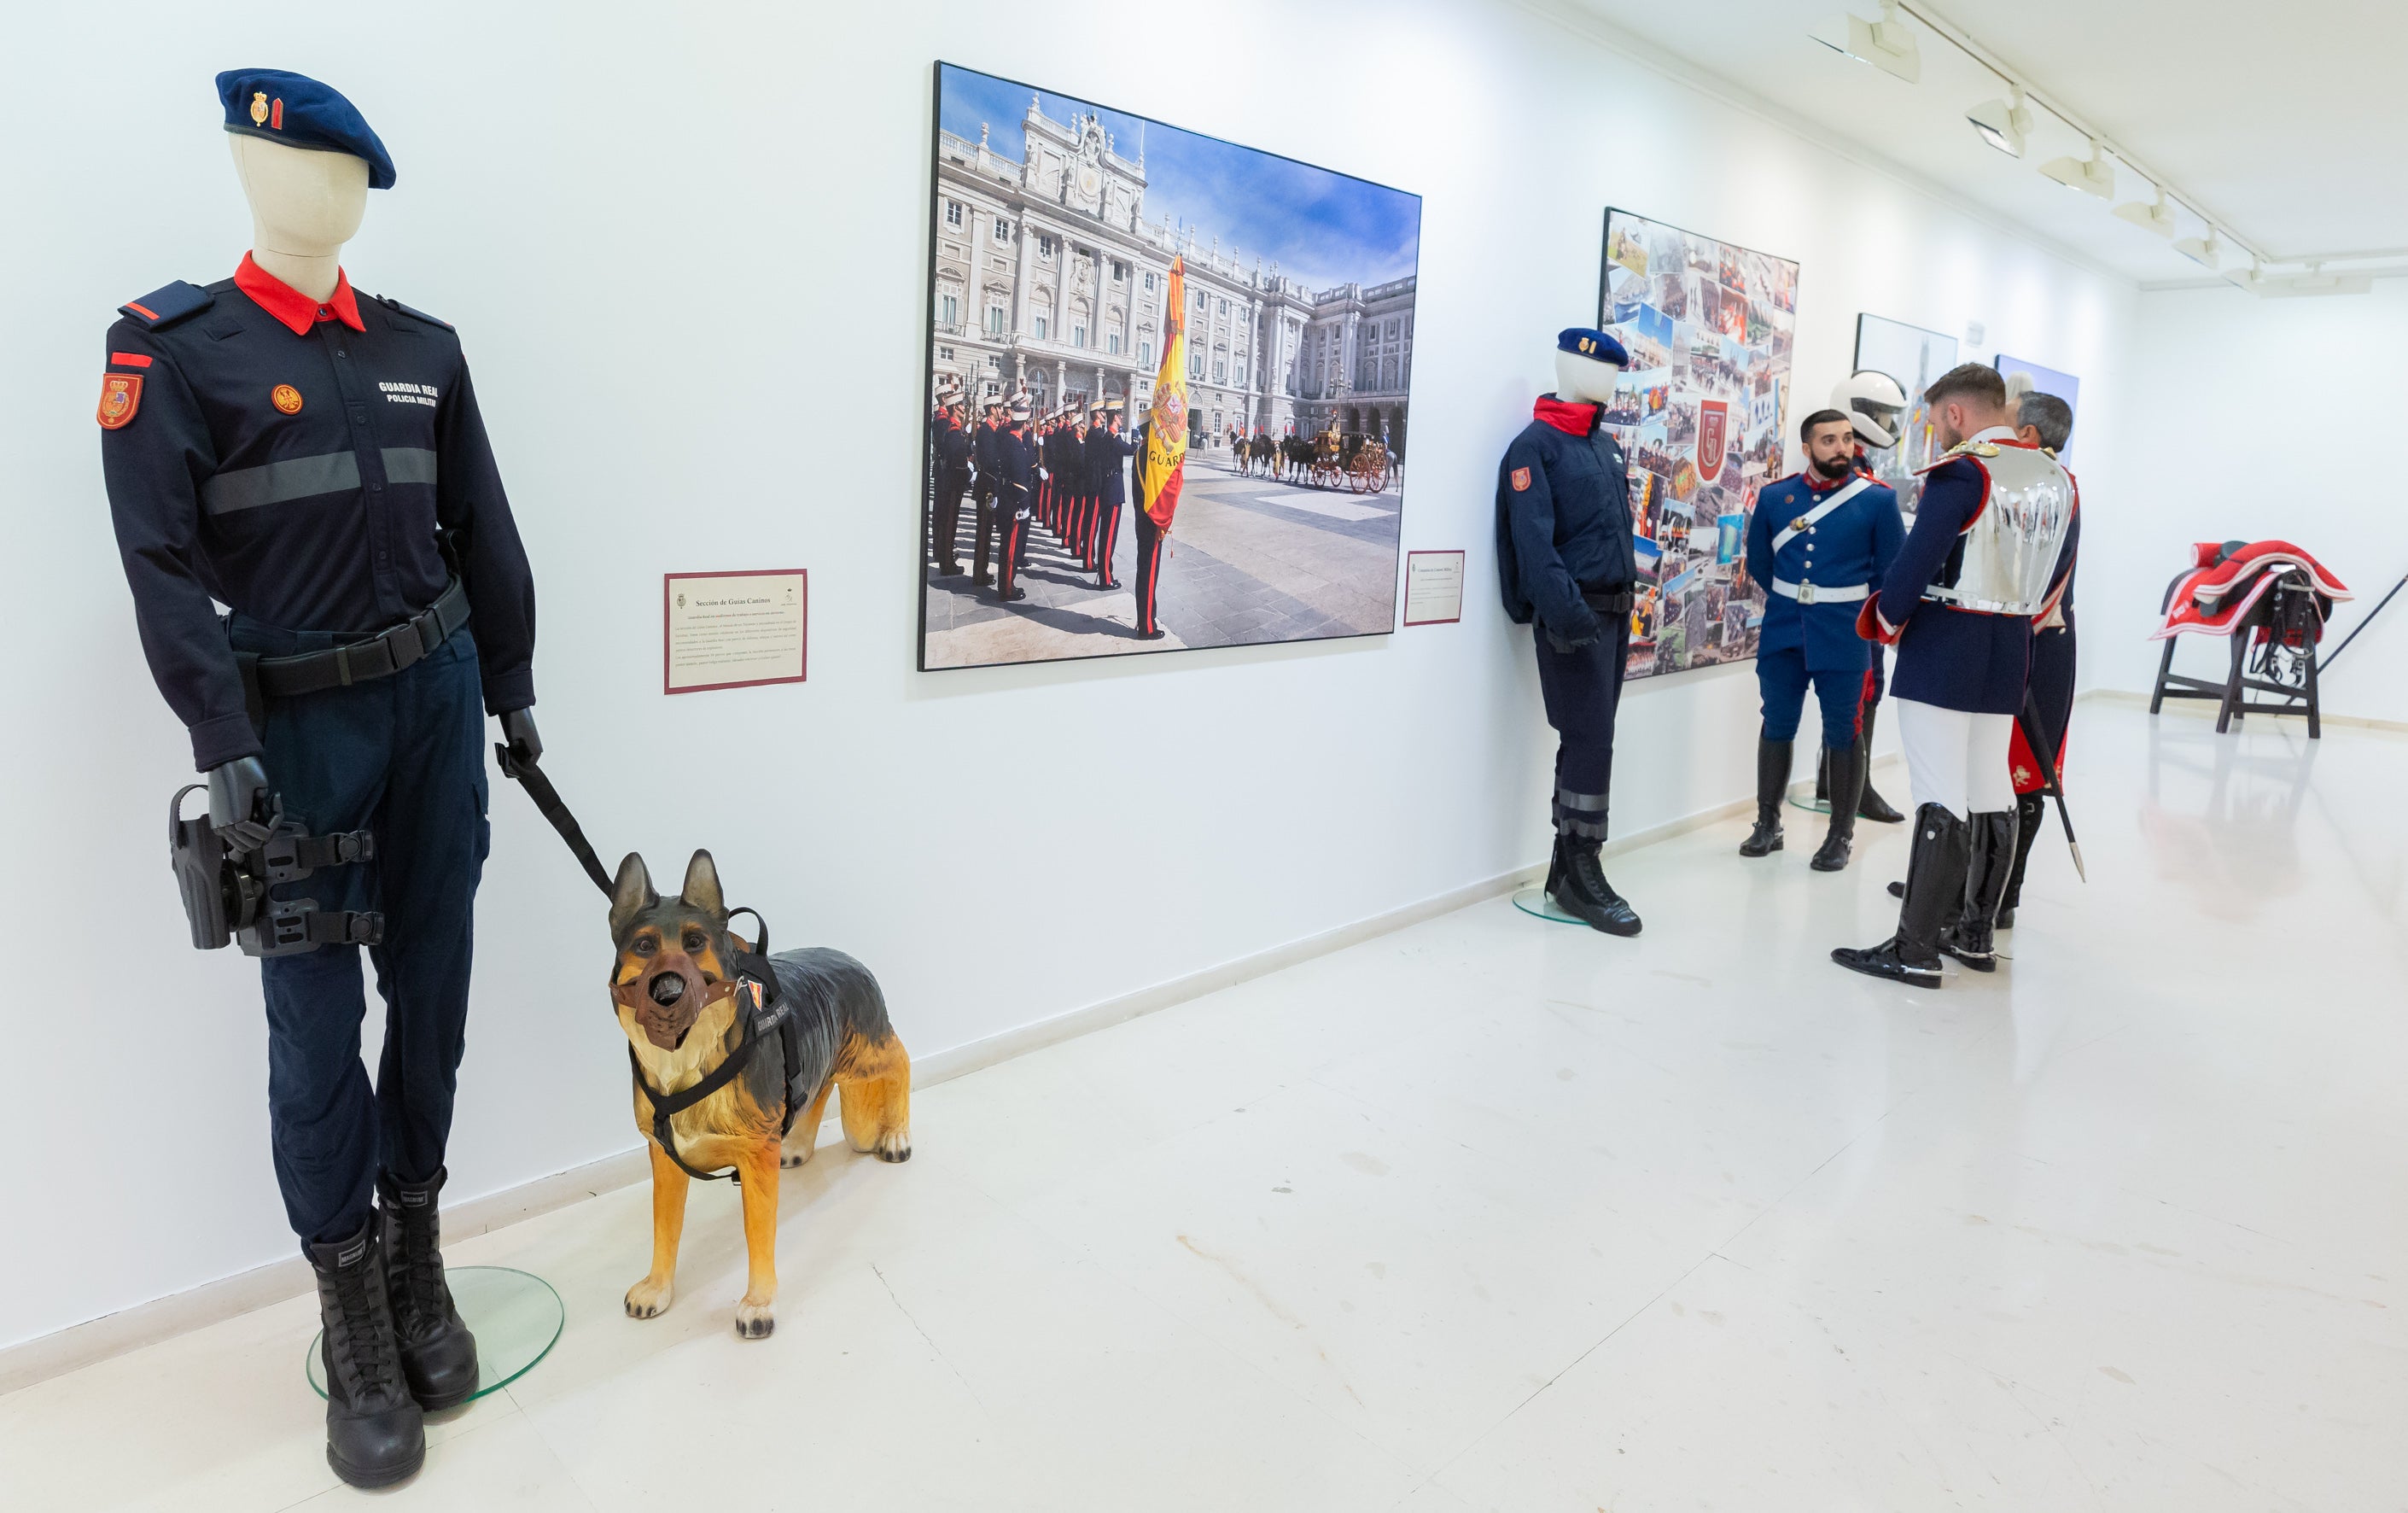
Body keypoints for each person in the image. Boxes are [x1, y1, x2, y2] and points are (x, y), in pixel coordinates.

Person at [101, 69, 536, 1486]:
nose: (337, 198)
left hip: (438, 705)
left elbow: (487, 530)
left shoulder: (424, 348)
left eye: (354, 179)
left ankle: (415, 1251)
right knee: (310, 1028)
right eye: (313, 171)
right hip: (294, 736)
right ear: (253, 170)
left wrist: (513, 694)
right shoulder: (177, 350)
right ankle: (350, 1304)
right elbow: (160, 568)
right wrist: (219, 740)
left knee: (438, 989)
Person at [1833, 364, 2077, 988]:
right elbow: (2055, 576)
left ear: (1956, 414)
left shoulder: (1961, 472)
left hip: (1946, 644)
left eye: (1937, 417)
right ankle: (1972, 935)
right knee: (1989, 785)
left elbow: (1915, 561)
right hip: (2009, 644)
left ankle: (1913, 947)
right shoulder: (2053, 478)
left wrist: (1885, 618)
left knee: (1939, 789)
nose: (1936, 429)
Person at [1496, 328, 1644, 936]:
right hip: (1574, 618)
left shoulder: (1604, 448)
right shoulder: (1536, 447)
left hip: (1613, 613)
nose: (1610, 382)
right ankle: (1582, 870)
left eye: (1615, 373)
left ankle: (1566, 867)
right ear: (1569, 366)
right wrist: (1570, 617)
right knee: (1589, 740)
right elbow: (1532, 544)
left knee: (1593, 738)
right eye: (1601, 371)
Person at [1739, 410, 1904, 870]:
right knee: (1776, 724)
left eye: (1847, 439)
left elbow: (1890, 570)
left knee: (1843, 731)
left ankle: (1840, 835)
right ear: (1807, 448)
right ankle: (1767, 824)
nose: (1842, 448)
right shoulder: (1776, 498)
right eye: (1829, 440)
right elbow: (1759, 564)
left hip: (1845, 632)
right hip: (1784, 628)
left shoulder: (1876, 501)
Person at [1999, 389, 2078, 926]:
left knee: (2028, 772)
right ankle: (1962, 880)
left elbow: (2043, 574)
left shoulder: (2055, 487)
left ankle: (2005, 893)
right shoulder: (2026, 481)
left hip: (2039, 642)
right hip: (2012, 638)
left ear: (2026, 435)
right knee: (1986, 770)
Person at [1820, 370, 1912, 826]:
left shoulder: (1859, 464)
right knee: (1862, 691)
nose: (1885, 423)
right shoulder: (1843, 466)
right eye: (1878, 413)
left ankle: (1838, 782)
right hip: (1851, 602)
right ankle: (1853, 790)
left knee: (1859, 693)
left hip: (1860, 597)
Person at [994, 398, 1036, 603]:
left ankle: (1005, 584)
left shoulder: (1008, 440)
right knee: (1010, 548)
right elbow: (1020, 479)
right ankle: (1007, 588)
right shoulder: (1017, 446)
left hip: (1006, 498)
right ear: (1025, 424)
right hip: (1014, 503)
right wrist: (1025, 505)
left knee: (1006, 546)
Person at [1088, 400, 1131, 590]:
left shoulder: (1108, 438)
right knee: (1108, 536)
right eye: (1120, 414)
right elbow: (1132, 450)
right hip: (1113, 490)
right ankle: (1106, 578)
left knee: (1107, 535)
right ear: (1115, 417)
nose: (1122, 417)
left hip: (1108, 488)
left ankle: (1106, 573)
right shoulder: (1113, 439)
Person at [929, 397, 971, 576]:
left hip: (950, 480)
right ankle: (946, 563)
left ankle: (946, 558)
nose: (964, 408)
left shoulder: (953, 428)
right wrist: (969, 473)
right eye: (961, 405)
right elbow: (956, 460)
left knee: (948, 521)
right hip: (952, 482)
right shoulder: (952, 429)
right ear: (955, 407)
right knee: (949, 522)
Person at [970, 400, 1004, 586]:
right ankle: (979, 574)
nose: (1001, 411)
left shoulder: (991, 430)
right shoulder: (986, 431)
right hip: (987, 487)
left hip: (988, 485)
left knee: (987, 530)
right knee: (983, 531)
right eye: (999, 408)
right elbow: (991, 462)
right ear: (992, 410)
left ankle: (981, 571)